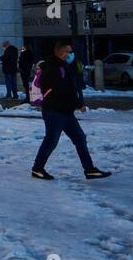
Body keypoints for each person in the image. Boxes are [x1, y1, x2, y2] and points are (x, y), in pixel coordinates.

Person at [31, 40, 112, 180]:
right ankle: (37, 169)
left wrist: (76, 102)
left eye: (71, 51)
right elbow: (59, 91)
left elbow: (70, 88)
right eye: (69, 52)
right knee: (51, 140)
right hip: (54, 111)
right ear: (61, 53)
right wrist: (76, 103)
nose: (71, 54)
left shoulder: (65, 66)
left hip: (65, 111)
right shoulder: (53, 68)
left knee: (80, 138)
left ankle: (89, 169)